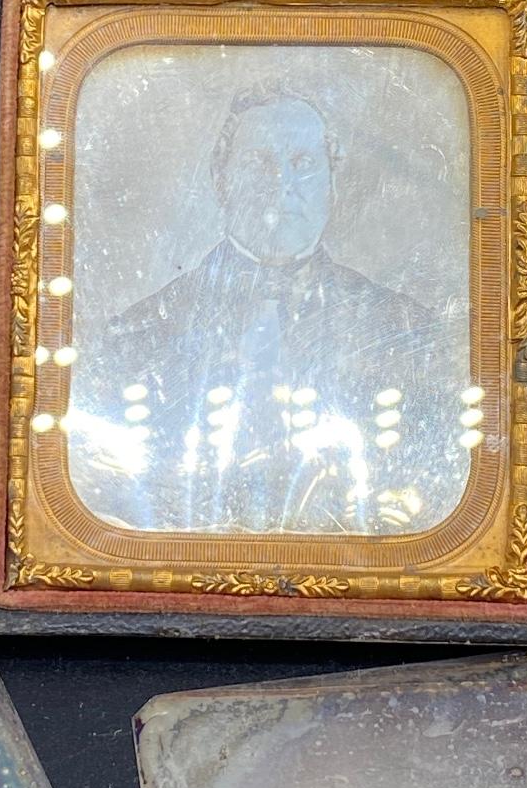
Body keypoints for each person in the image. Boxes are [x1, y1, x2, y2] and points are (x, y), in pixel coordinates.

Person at [68, 82, 469, 536]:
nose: (282, 186)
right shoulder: (139, 334)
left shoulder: (404, 329)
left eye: (304, 164)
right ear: (221, 180)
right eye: (258, 164)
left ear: (332, 183)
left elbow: (430, 484)